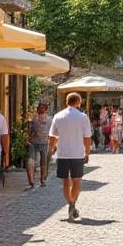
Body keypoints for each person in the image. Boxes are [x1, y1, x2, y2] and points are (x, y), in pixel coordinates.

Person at [49, 92, 93, 222]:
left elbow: (52, 136)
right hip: (77, 153)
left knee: (65, 181)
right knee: (77, 180)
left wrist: (52, 149)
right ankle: (73, 204)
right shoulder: (83, 117)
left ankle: (70, 204)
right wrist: (87, 153)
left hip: (63, 153)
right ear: (79, 102)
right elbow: (87, 137)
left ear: (67, 101)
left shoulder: (58, 116)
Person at [26, 101, 53, 189]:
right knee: (30, 161)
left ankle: (42, 179)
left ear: (46, 109)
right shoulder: (34, 118)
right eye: (39, 107)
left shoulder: (50, 120)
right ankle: (31, 180)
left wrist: (52, 143)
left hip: (45, 143)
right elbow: (30, 131)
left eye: (42, 107)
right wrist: (28, 136)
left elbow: (52, 132)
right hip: (33, 142)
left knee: (44, 162)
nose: (40, 108)